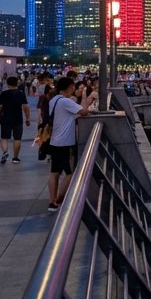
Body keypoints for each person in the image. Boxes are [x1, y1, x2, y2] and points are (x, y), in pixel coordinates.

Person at [47, 76, 95, 212]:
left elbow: (67, 116)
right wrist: (86, 96)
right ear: (68, 87)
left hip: (54, 140)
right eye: (73, 86)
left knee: (54, 172)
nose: (74, 88)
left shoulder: (54, 100)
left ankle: (52, 201)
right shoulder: (65, 101)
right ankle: (59, 199)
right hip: (64, 142)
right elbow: (84, 112)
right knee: (69, 173)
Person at [0, 75, 32, 164]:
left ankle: (5, 152)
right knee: (17, 138)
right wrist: (27, 118)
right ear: (17, 83)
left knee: (4, 137)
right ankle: (15, 158)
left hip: (5, 118)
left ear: (7, 84)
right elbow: (25, 107)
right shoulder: (21, 94)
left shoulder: (3, 94)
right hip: (18, 119)